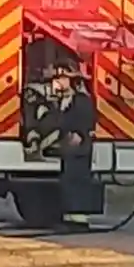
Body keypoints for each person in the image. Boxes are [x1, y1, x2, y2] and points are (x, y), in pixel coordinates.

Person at [52, 61, 102, 229]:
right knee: (69, 180)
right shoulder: (67, 100)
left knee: (77, 180)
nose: (58, 81)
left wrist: (79, 134)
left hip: (80, 148)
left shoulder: (82, 101)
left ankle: (79, 219)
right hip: (72, 148)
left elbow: (86, 119)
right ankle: (70, 217)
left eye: (62, 78)